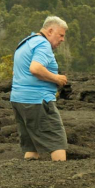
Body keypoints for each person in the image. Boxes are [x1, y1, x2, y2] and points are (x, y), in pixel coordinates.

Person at [10, 15, 69, 161]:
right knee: (57, 140)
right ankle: (62, 178)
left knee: (31, 145)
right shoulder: (43, 44)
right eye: (60, 35)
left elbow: (16, 71)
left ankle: (28, 179)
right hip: (38, 101)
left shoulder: (26, 42)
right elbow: (35, 68)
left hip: (19, 100)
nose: (62, 39)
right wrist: (57, 79)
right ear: (50, 31)